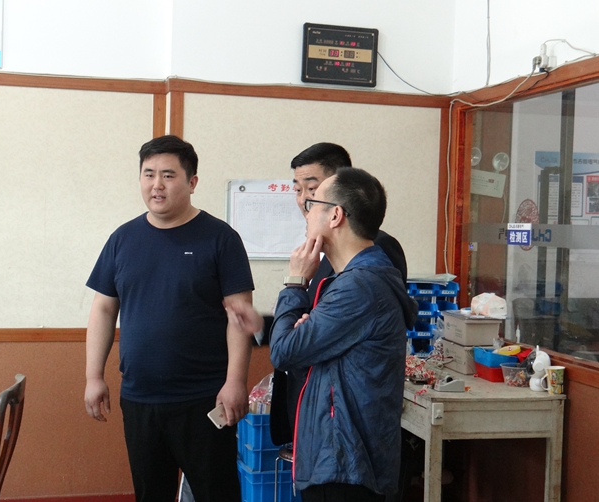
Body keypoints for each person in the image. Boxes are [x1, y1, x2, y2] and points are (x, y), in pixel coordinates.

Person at [83, 135, 262, 502]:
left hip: (205, 398)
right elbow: (103, 309)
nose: (156, 185)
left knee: (217, 494)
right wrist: (93, 376)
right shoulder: (122, 239)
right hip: (139, 398)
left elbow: (238, 316)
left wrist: (235, 382)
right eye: (148, 174)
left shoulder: (220, 238)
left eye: (168, 175)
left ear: (192, 182)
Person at [269, 167, 418, 501]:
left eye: (313, 202)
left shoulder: (359, 286)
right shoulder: (355, 279)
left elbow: (283, 351)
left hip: (344, 464)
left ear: (335, 215)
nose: (305, 210)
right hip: (339, 459)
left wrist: (295, 282)